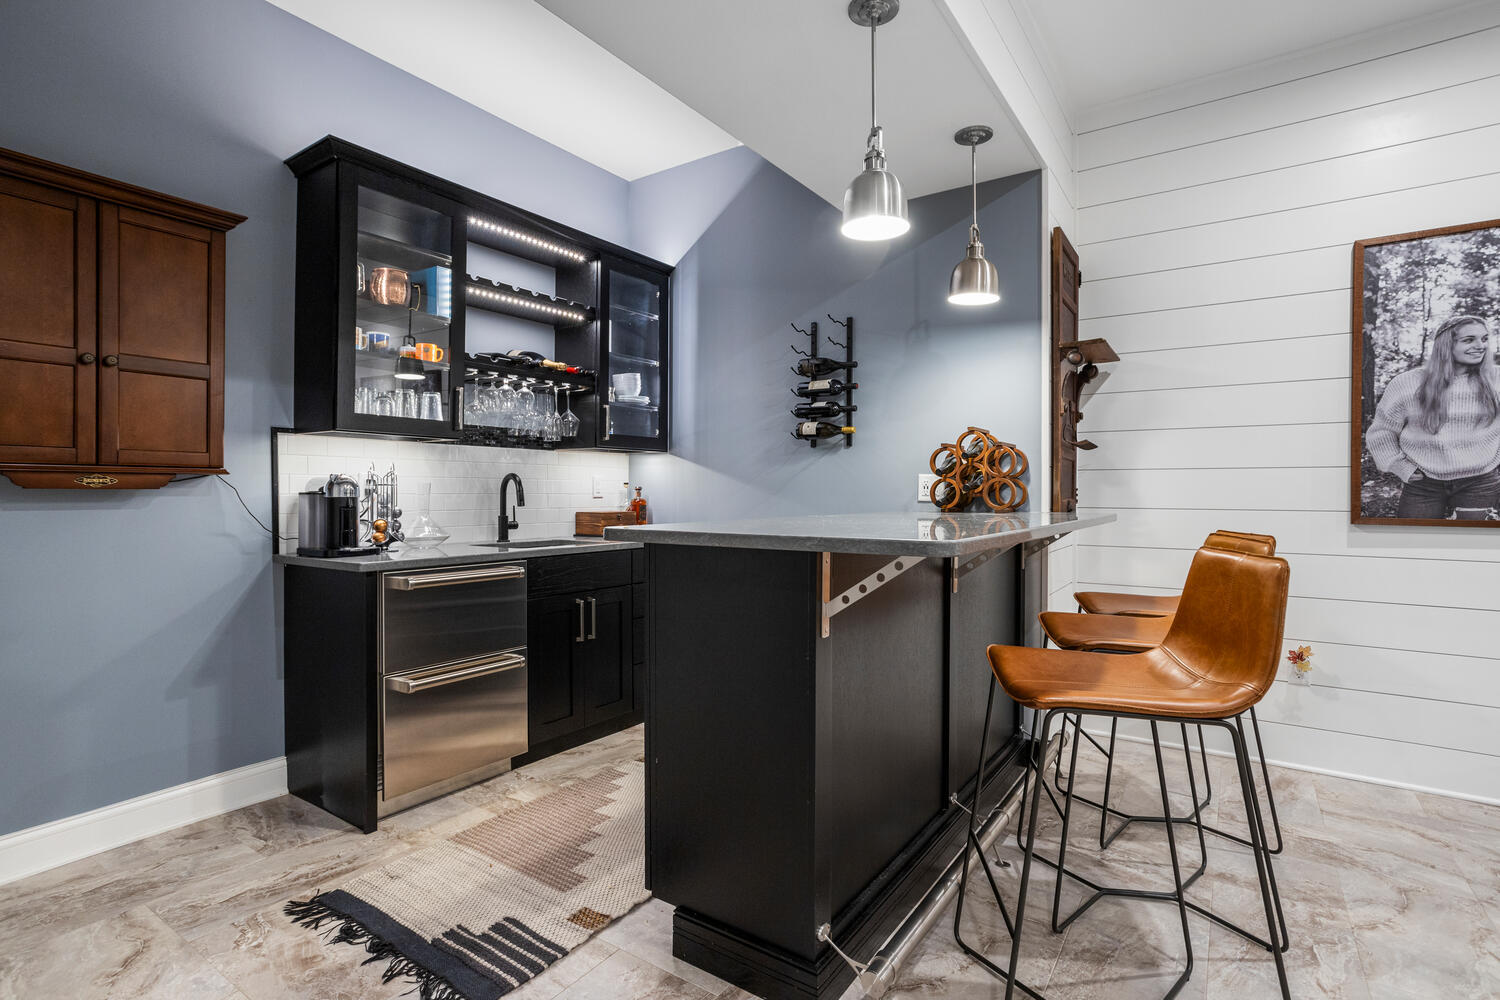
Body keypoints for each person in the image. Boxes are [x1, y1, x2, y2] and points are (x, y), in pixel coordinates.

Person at [1366, 314, 1500, 518]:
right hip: (1423, 483)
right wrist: (1400, 466)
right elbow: (1382, 431)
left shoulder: (1496, 379)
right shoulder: (1408, 383)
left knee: (1472, 545)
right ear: (1446, 345)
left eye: (1484, 338)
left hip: (1480, 482)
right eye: (1468, 340)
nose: (1480, 345)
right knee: (1413, 545)